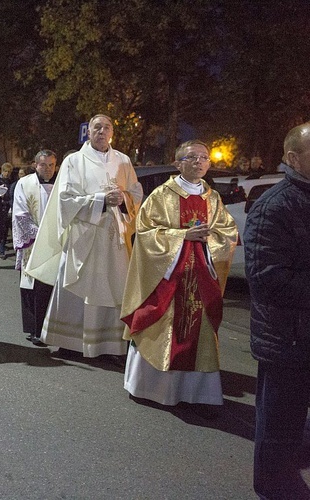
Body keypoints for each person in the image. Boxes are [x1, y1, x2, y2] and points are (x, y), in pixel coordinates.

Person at [120, 140, 238, 410]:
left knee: (202, 333)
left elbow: (229, 233)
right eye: (192, 157)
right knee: (161, 328)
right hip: (169, 280)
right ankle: (152, 389)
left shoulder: (213, 198)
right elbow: (146, 233)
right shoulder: (162, 195)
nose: (199, 162)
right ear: (178, 163)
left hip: (202, 277)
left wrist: (210, 241)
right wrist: (182, 236)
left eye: (204, 158)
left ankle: (201, 396)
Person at [26, 114, 143, 358]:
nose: (101, 131)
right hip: (84, 236)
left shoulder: (123, 161)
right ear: (88, 132)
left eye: (106, 127)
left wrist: (125, 199)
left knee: (114, 287)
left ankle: (111, 346)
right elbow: (65, 200)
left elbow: (136, 193)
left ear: (112, 133)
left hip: (114, 239)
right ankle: (70, 342)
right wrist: (101, 200)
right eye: (96, 127)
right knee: (78, 288)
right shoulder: (74, 161)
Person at [245, 122, 310, 498]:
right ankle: (275, 489)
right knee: (279, 431)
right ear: (293, 158)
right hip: (287, 340)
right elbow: (269, 279)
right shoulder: (274, 207)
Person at [13, 150, 59, 346]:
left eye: (51, 165)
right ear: (35, 165)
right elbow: (20, 214)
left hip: (57, 244)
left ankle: (52, 329)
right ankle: (34, 329)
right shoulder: (25, 183)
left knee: (51, 289)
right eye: (43, 165)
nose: (47, 169)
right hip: (33, 243)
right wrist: (39, 235)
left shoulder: (62, 184)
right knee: (33, 288)